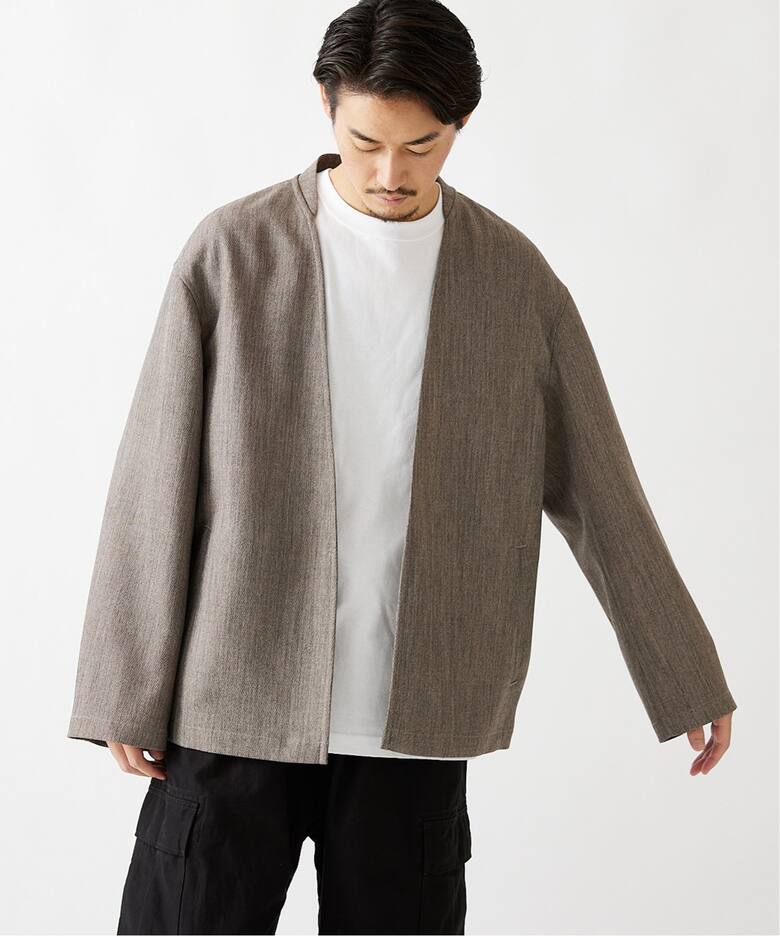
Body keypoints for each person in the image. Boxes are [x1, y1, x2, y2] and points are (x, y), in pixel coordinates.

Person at [66, 1, 737, 933]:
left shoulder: (515, 282)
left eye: (422, 146)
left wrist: (685, 675)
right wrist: (123, 686)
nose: (391, 173)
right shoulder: (234, 252)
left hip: (417, 720)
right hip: (232, 701)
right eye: (365, 142)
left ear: (463, 122)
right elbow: (153, 478)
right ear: (325, 107)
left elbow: (602, 493)